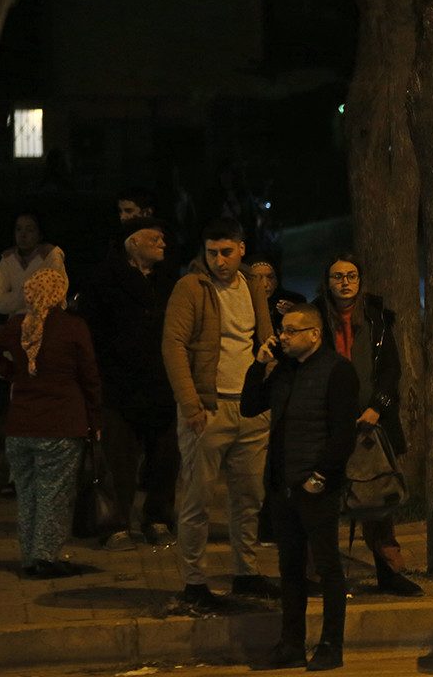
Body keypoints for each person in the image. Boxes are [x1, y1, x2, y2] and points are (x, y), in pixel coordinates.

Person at [162, 217, 279, 610]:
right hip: (208, 409)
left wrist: (268, 390)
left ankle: (246, 573)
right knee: (198, 500)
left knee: (249, 497)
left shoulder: (252, 286)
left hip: (249, 407)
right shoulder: (191, 287)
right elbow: (174, 346)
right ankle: (194, 582)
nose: (219, 260)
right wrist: (191, 404)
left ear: (241, 249)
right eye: (212, 252)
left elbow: (261, 338)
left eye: (226, 251)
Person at [242, 304, 358, 672]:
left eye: (292, 330)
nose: (283, 336)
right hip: (283, 485)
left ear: (314, 334)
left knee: (327, 567)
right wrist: (259, 364)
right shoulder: (284, 371)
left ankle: (330, 645)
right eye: (282, 330)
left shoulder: (338, 370)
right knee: (289, 569)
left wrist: (320, 477)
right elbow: (249, 406)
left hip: (315, 486)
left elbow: (342, 432)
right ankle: (290, 644)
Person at [0, 268, 101, 578]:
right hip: (60, 423)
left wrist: (11, 372)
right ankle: (47, 558)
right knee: (54, 495)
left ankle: (29, 556)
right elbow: (90, 377)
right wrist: (95, 419)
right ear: (59, 293)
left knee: (28, 496)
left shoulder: (17, 325)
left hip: (19, 426)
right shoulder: (72, 327)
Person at [316, 253, 422, 597]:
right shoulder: (315, 316)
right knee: (323, 501)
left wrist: (378, 407)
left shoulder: (376, 319)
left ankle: (389, 573)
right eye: (337, 276)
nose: (344, 282)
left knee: (377, 501)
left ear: (360, 281)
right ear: (327, 281)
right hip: (328, 424)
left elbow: (392, 370)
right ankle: (320, 576)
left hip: (371, 425)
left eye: (351, 276)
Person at [77, 217, 179, 550]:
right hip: (120, 384)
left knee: (165, 459)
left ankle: (158, 517)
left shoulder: (168, 279)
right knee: (118, 460)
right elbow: (92, 331)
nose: (163, 243)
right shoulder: (103, 279)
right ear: (133, 243)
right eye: (155, 237)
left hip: (162, 384)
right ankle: (115, 523)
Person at [0, 211, 68, 316]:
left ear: (40, 234)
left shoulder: (50, 257)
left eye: (30, 230)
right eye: (18, 229)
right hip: (16, 326)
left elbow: (55, 295)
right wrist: (33, 294)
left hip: (46, 323)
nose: (23, 235)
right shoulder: (8, 260)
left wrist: (13, 298)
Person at [250, 259, 306, 333]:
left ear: (277, 281)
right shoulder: (242, 305)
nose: (265, 284)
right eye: (258, 278)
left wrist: (294, 315)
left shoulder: (295, 300)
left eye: (270, 277)